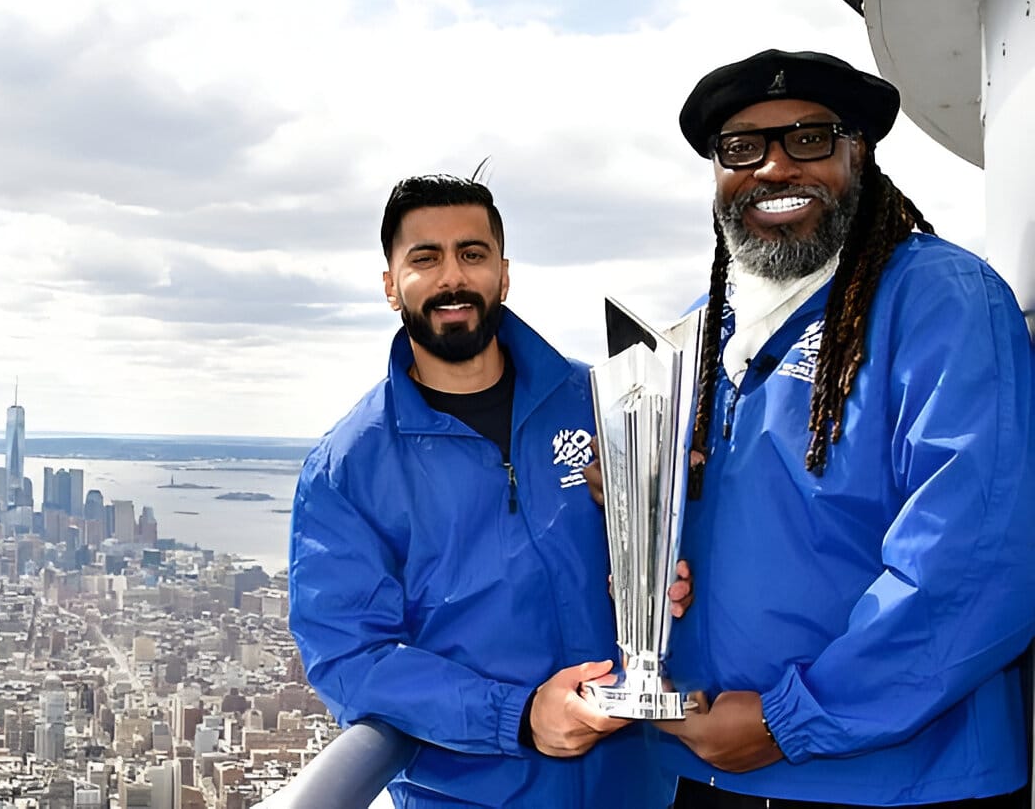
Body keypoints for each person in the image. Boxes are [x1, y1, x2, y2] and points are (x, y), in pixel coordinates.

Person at [655, 48, 1035, 807]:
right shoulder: (699, 335)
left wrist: (791, 719)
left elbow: (973, 565)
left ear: (859, 152)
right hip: (714, 765)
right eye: (742, 148)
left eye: (809, 139)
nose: (772, 167)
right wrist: (639, 529)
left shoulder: (943, 300)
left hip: (895, 781)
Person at [287, 174, 681, 807]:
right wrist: (520, 715)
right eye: (425, 258)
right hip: (471, 796)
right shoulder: (348, 466)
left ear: (503, 274)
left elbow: (675, 553)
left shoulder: (608, 405)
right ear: (391, 285)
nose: (452, 278)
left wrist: (670, 566)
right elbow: (350, 657)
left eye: (472, 254)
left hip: (643, 787)